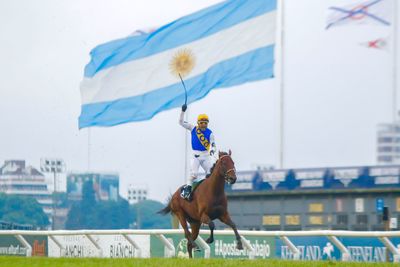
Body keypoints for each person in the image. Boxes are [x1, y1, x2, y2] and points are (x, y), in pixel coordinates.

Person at [179, 104, 217, 200]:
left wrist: (212, 151)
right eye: (202, 122)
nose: (203, 124)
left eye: (205, 123)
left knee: (210, 174)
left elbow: (213, 145)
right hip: (195, 156)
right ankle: (187, 189)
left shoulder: (210, 133)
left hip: (206, 156)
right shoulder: (193, 128)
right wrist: (183, 111)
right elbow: (181, 122)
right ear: (198, 123)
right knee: (194, 174)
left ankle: (208, 191)